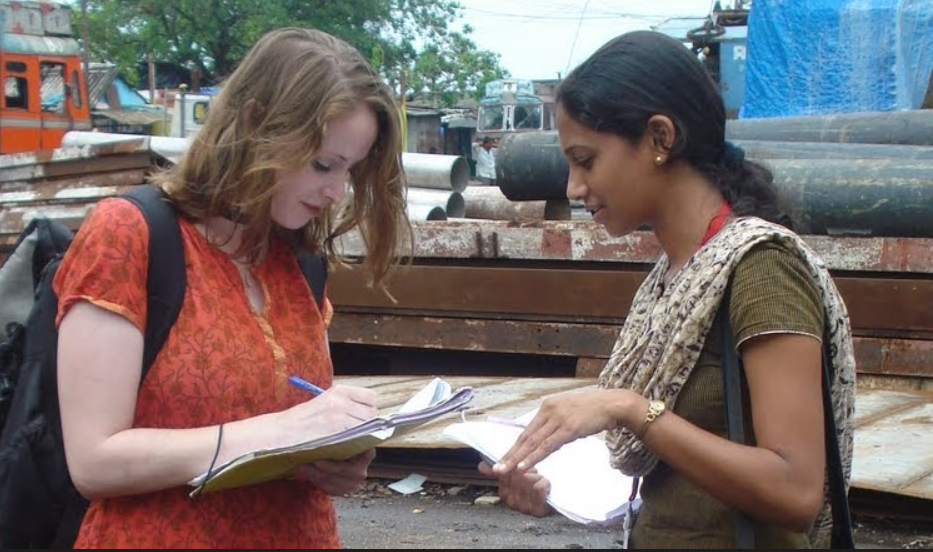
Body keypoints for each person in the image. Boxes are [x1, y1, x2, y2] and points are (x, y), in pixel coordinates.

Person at [479, 31, 855, 549]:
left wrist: (632, 409)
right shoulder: (674, 277)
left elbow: (795, 492)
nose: (573, 187)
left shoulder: (762, 268)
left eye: (586, 161)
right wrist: (552, 490)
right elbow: (676, 481)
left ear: (659, 138)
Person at [54, 28, 410, 548]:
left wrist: (328, 462)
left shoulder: (298, 263)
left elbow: (294, 428)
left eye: (350, 170)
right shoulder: (129, 234)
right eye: (322, 164)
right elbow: (93, 460)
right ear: (255, 124)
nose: (336, 192)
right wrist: (283, 432)